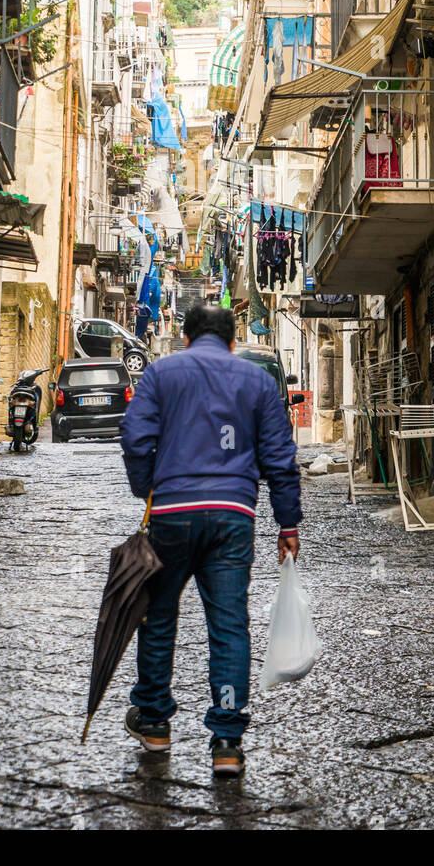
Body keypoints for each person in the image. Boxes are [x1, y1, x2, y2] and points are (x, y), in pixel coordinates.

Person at [118, 301, 302, 777]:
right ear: (233, 342)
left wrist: (148, 487)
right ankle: (225, 740)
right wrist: (287, 524)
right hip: (233, 517)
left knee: (156, 617)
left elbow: (134, 436)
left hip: (172, 516)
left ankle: (155, 723)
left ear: (185, 337)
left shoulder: (160, 375)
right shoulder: (258, 382)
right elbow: (281, 458)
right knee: (228, 624)